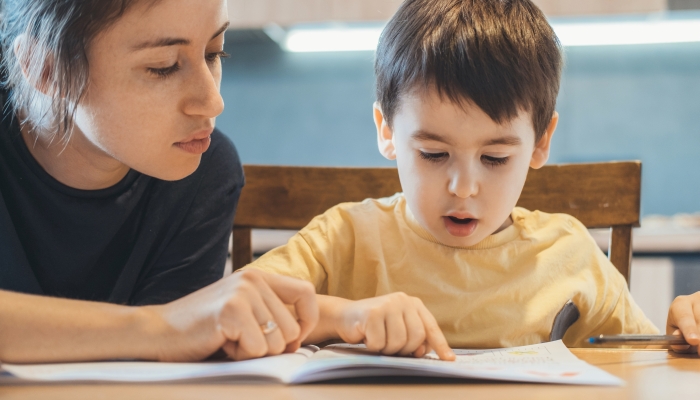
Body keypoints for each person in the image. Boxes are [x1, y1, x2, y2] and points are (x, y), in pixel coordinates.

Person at [243, 0, 658, 360]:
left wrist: (685, 332)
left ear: (540, 142)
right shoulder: (344, 240)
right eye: (434, 154)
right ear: (387, 132)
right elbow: (238, 309)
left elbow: (645, 361)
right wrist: (346, 317)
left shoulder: (569, 255)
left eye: (495, 158)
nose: (463, 187)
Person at [0, 0, 317, 363]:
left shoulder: (204, 171)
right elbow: (170, 332)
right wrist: (159, 326)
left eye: (215, 53)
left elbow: (164, 362)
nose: (213, 102)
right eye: (163, 67)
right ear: (45, 69)